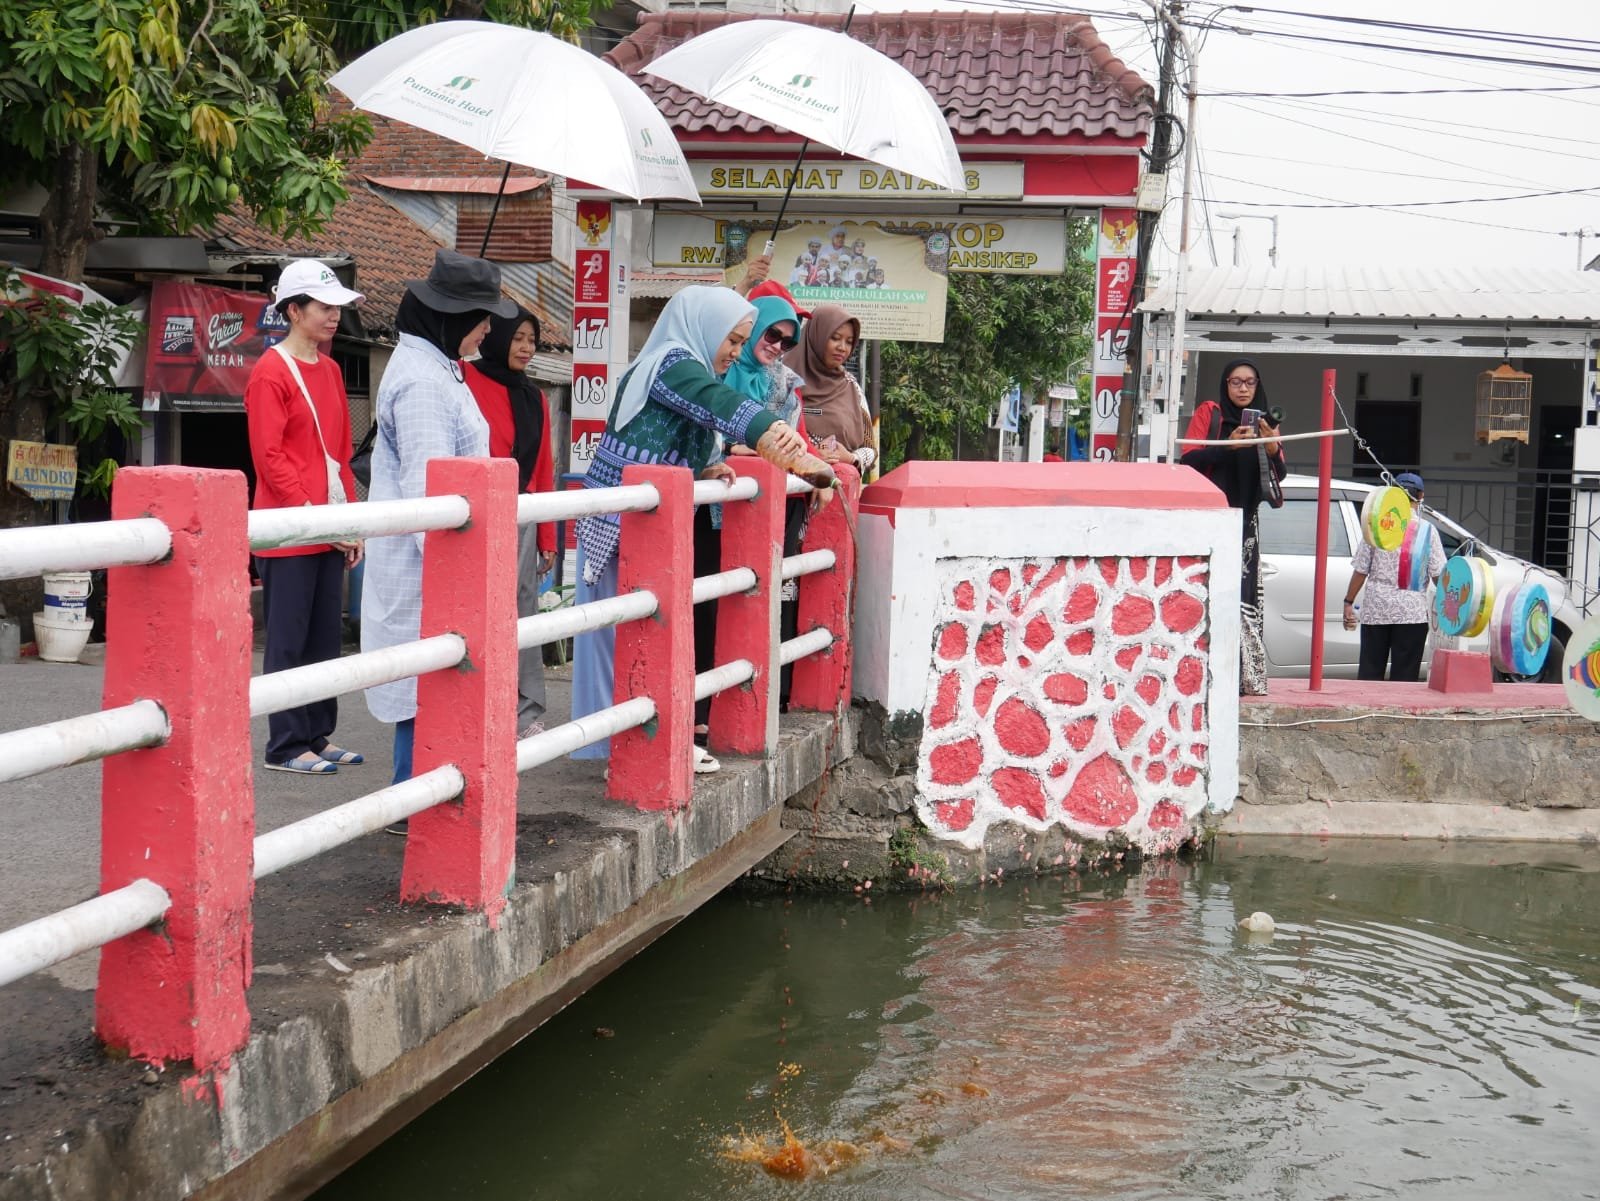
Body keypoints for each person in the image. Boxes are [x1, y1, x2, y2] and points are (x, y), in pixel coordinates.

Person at [570, 286, 806, 765]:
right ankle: (618, 747)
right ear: (708, 329)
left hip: (645, 523)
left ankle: (632, 742)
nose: (736, 353)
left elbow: (680, 430)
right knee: (619, 637)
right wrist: (768, 431)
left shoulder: (685, 364)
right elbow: (713, 402)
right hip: (619, 524)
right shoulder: (673, 364)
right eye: (734, 341)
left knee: (641, 630)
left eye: (742, 343)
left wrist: (701, 469)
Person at [362, 248, 517, 788]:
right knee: (425, 688)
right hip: (428, 563)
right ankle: (417, 800)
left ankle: (426, 795)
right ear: (453, 320)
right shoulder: (424, 382)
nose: (485, 335)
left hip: (443, 558)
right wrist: (461, 571)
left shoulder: (437, 366)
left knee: (436, 682)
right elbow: (429, 491)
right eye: (481, 322)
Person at [245, 259, 366, 775]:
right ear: (293, 311)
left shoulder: (333, 369)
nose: (334, 316)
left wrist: (351, 521)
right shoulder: (270, 371)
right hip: (291, 526)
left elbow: (341, 451)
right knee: (289, 639)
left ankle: (317, 734)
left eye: (337, 308)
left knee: (323, 637)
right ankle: (285, 744)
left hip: (326, 524)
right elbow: (268, 457)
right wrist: (314, 516)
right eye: (324, 307)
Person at [694, 295, 809, 747]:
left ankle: (725, 710)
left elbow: (789, 443)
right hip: (710, 510)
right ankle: (698, 713)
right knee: (703, 609)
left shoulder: (780, 384)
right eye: (770, 334)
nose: (777, 345)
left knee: (740, 609)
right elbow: (705, 431)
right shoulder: (713, 372)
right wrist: (728, 449)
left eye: (786, 340)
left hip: (754, 514)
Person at [462, 306, 556, 738]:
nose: (525, 347)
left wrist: (548, 535)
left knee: (522, 609)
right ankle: (478, 707)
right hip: (478, 515)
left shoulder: (534, 395)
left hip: (523, 517)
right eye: (517, 337)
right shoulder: (466, 380)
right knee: (480, 609)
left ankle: (523, 711)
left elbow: (543, 470)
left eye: (532, 340)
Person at [1178, 357, 1286, 695]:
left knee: (1244, 598)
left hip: (1246, 524)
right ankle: (1200, 676)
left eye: (1249, 382)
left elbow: (1279, 477)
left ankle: (1242, 678)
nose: (1242, 388)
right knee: (1207, 594)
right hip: (1210, 521)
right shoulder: (1209, 414)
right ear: (1225, 385)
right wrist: (1230, 447)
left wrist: (1270, 447)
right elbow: (1189, 460)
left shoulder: (1267, 421)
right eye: (1235, 382)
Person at [1343, 472, 1445, 681]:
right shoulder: (1428, 531)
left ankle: (1368, 711)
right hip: (1412, 613)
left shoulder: (1377, 525)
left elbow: (1361, 569)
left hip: (1376, 610)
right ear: (1421, 496)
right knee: (1405, 676)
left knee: (1370, 671)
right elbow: (1438, 575)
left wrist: (1348, 601)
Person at [783, 303, 878, 479]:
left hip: (841, 487)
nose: (842, 347)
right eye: (835, 338)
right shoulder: (784, 380)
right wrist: (811, 455)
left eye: (849, 342)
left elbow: (871, 448)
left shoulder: (851, 386)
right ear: (816, 336)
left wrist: (851, 457)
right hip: (791, 488)